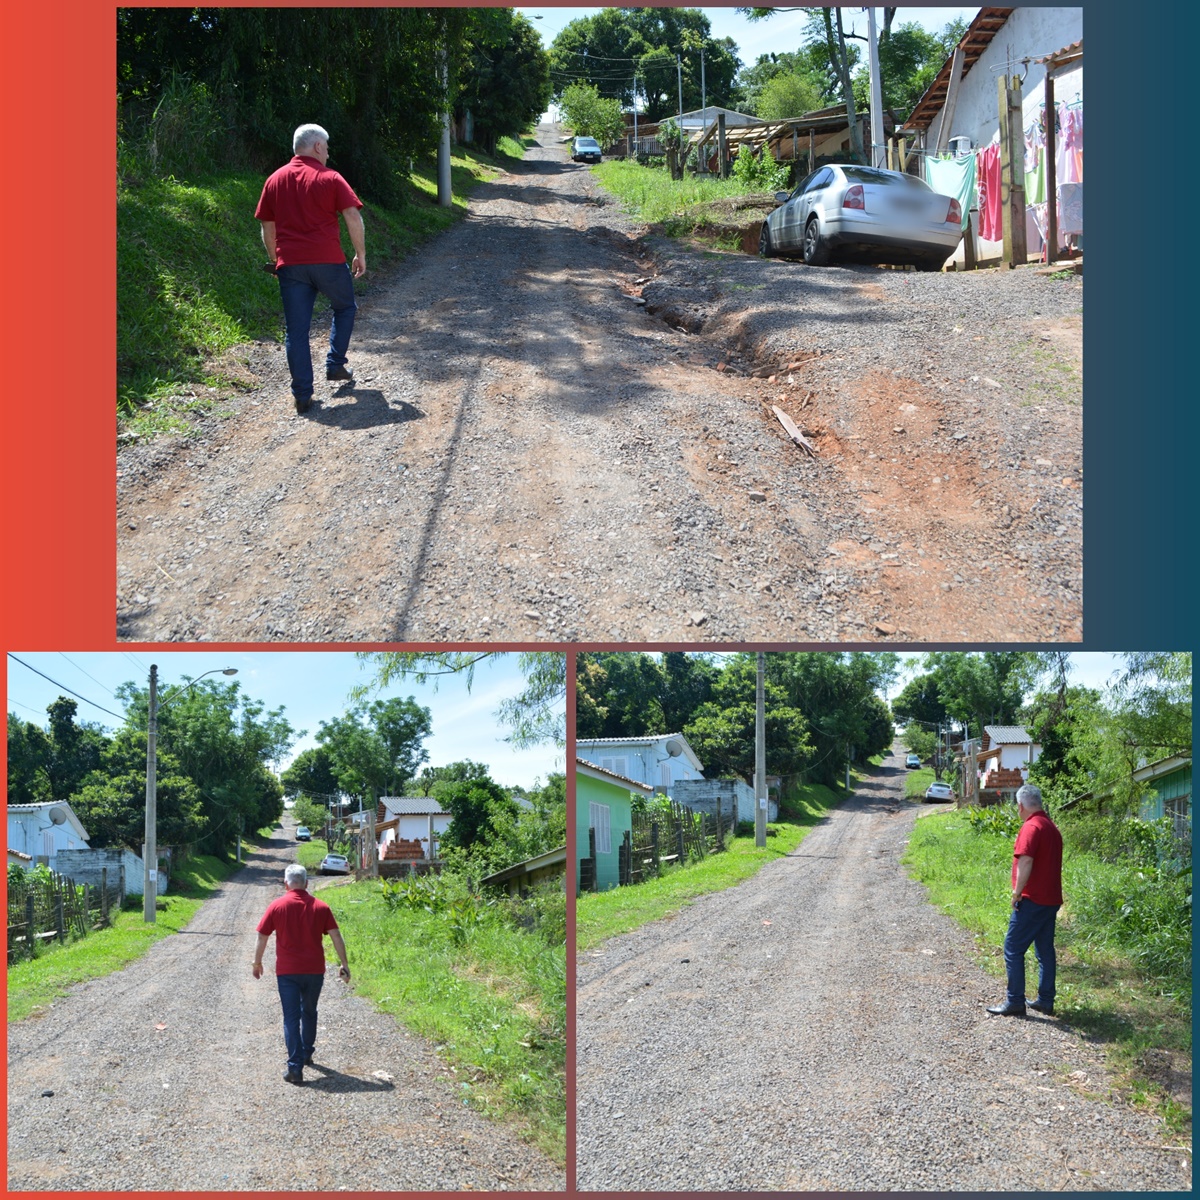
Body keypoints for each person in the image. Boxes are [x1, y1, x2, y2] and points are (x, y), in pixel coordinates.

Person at [255, 124, 367, 414]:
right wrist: (360, 253)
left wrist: (275, 258)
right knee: (345, 307)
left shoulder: (275, 179)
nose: (328, 154)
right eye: (327, 148)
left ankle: (302, 395)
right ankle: (335, 365)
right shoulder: (331, 178)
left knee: (296, 330)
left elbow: (268, 226)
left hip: (290, 266)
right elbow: (352, 215)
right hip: (328, 261)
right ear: (318, 146)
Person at [253, 863, 351, 1084]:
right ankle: (307, 1053)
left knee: (291, 1018)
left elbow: (262, 936)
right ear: (307, 883)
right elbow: (336, 935)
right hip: (314, 971)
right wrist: (344, 963)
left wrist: (257, 962)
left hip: (287, 972)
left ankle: (295, 1068)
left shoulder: (277, 906)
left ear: (285, 883)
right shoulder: (321, 907)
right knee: (309, 1011)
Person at [986, 784, 1063, 1018]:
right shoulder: (1051, 827)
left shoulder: (1031, 827)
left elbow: (1026, 861)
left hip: (1032, 899)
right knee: (1044, 951)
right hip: (1051, 900)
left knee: (1013, 948)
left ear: (1020, 805)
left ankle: (1015, 1001)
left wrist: (1017, 892)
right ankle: (1045, 1001)